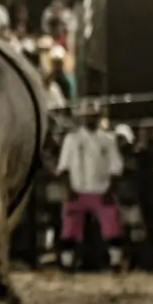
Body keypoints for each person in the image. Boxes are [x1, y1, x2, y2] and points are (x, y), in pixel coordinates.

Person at [55, 103, 125, 271]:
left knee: (112, 226)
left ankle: (115, 262)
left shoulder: (107, 139)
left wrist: (110, 190)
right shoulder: (72, 139)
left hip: (101, 189)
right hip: (77, 189)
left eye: (93, 116)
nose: (89, 119)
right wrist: (69, 190)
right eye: (87, 116)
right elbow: (64, 167)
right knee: (70, 228)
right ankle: (67, 263)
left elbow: (116, 167)